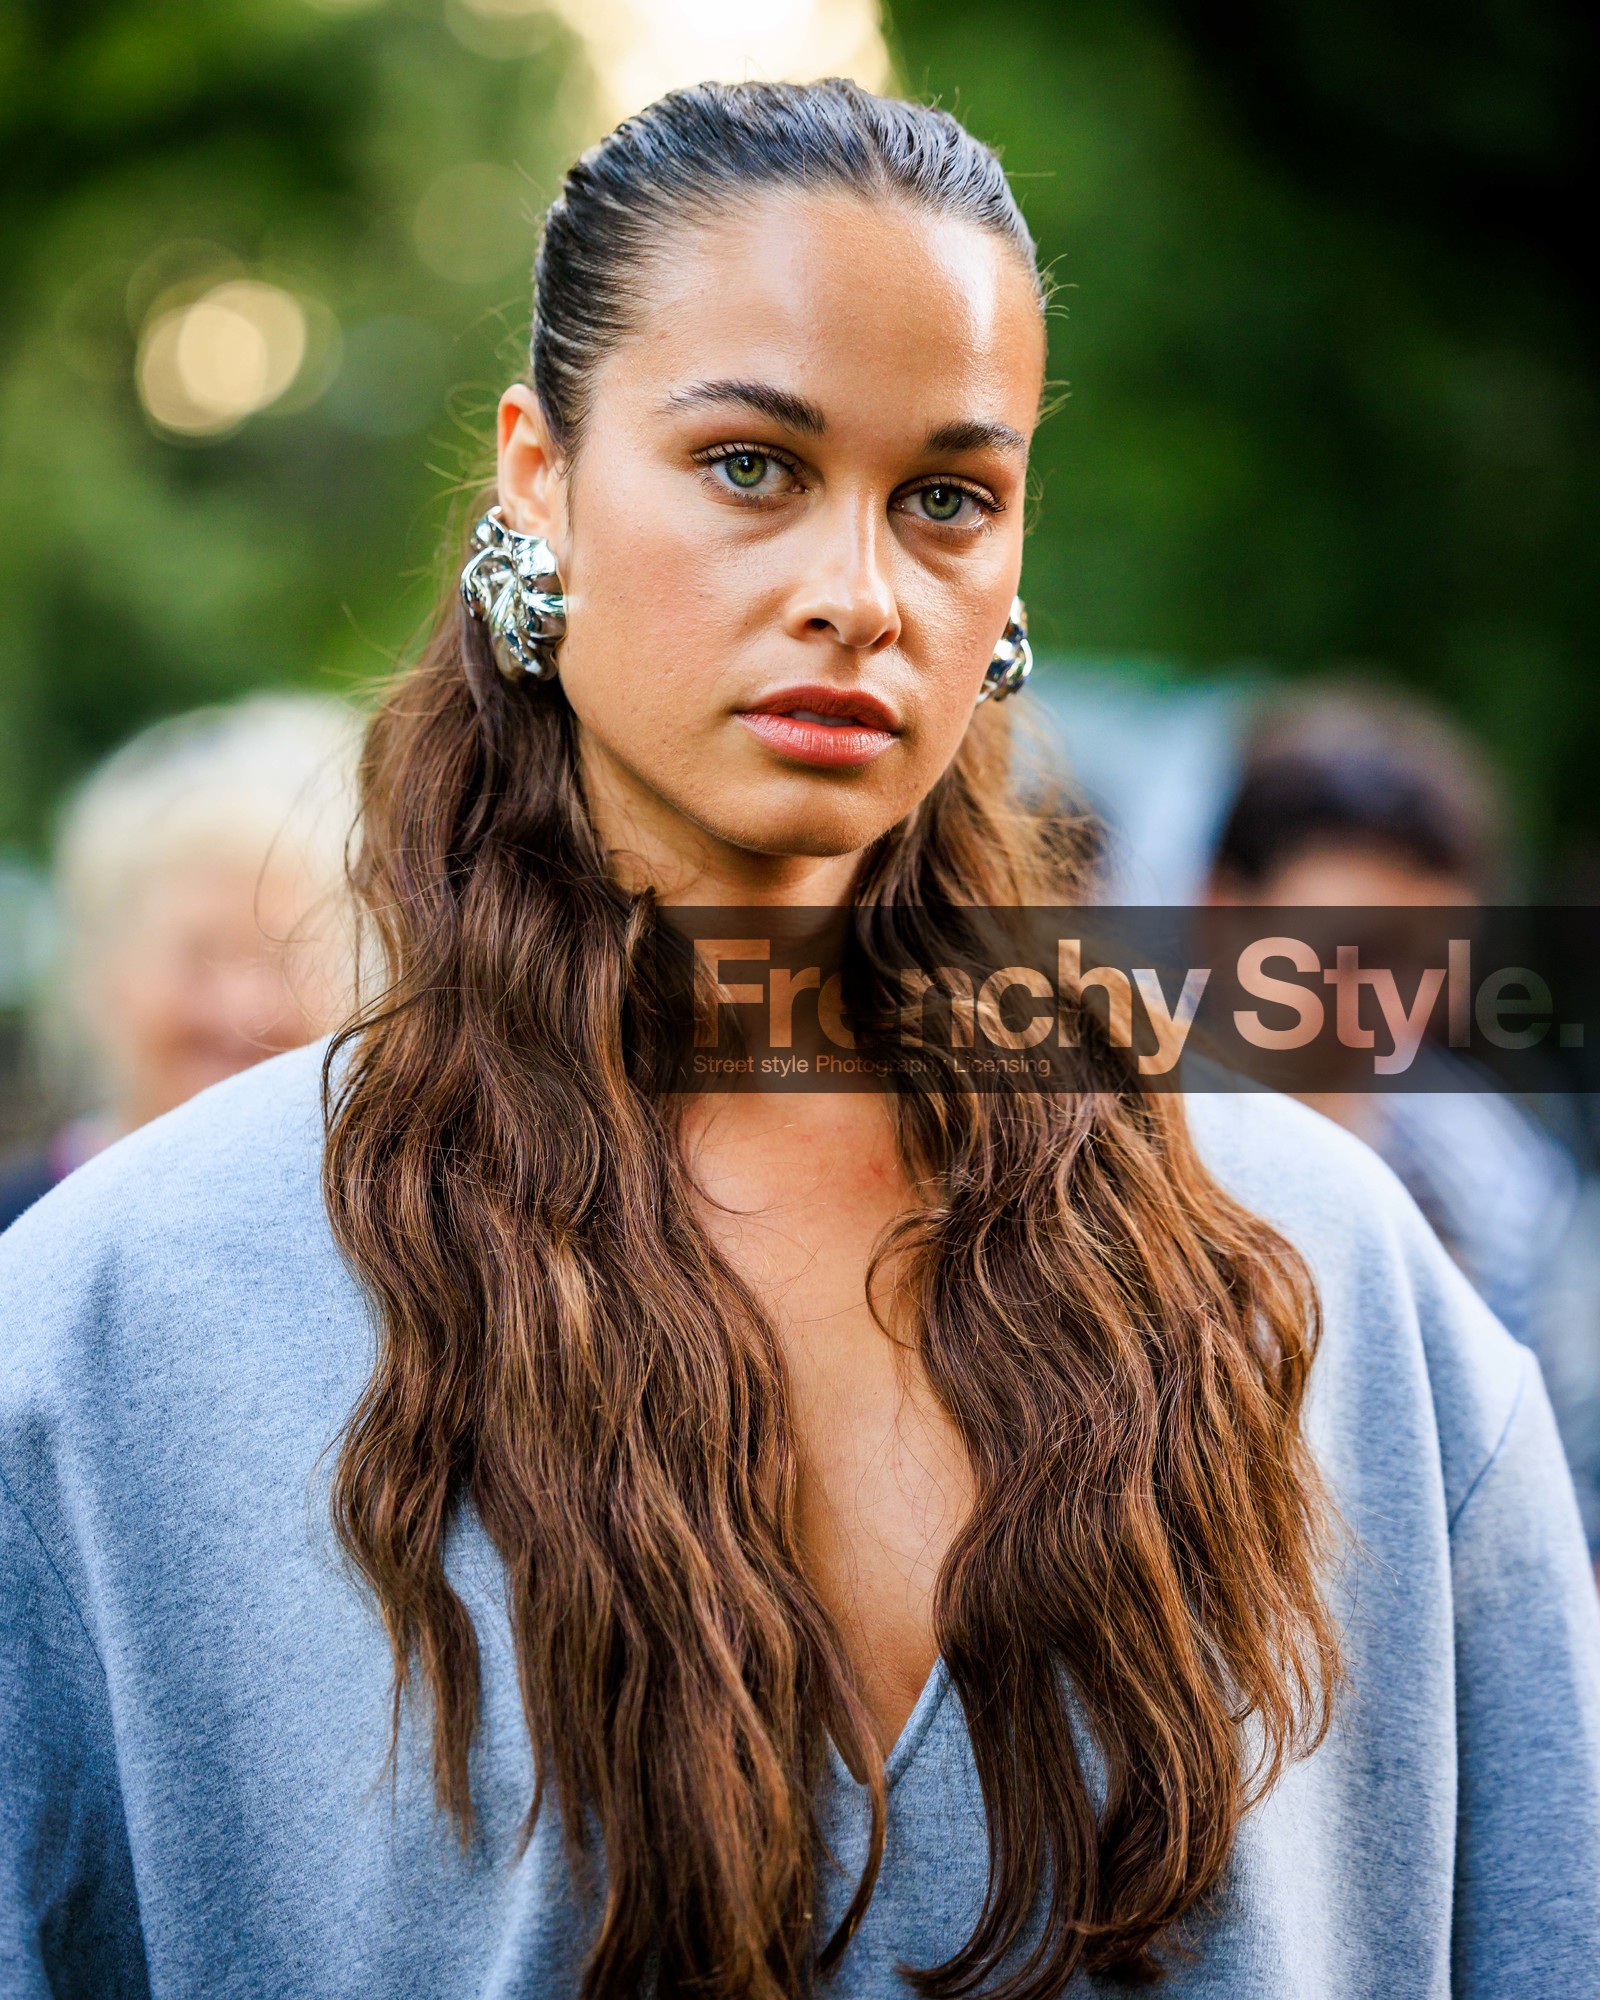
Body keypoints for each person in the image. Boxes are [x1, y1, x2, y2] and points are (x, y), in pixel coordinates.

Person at [0, 80, 1596, 2000]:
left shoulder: (1328, 1283)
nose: (859, 593)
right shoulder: (123, 1324)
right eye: (752, 464)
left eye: (948, 495)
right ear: (540, 474)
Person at [1208, 683, 1600, 1559]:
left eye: (1426, 964)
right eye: (1349, 954)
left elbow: (1550, 1511)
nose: (1384, 1006)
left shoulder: (1490, 1180)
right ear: (1221, 909)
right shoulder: (1091, 1124)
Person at [0, 693, 359, 1232]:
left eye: (290, 959)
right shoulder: (21, 1236)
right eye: (198, 957)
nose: (240, 1008)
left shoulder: (422, 1249)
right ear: (104, 970)